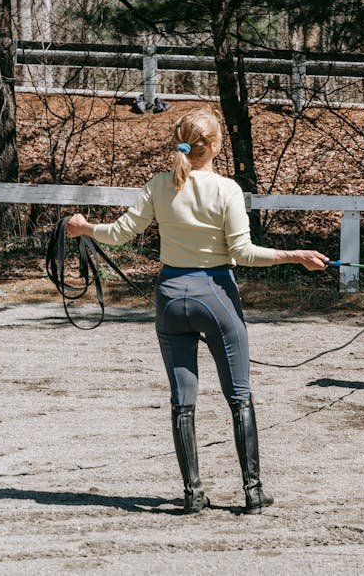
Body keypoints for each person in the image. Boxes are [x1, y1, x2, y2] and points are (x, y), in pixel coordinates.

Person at [64, 108, 329, 515]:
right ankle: (253, 491)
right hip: (215, 296)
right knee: (238, 396)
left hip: (171, 297)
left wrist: (84, 228)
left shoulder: (158, 185)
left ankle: (192, 493)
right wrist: (296, 255)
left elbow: (118, 234)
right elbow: (243, 253)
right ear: (217, 145)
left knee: (182, 400)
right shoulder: (227, 191)